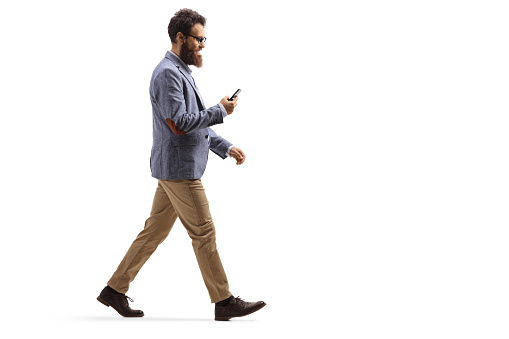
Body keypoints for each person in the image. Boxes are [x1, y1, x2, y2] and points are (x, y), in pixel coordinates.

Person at [97, 8, 265, 321]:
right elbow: (178, 124)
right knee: (204, 233)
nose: (202, 45)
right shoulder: (166, 74)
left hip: (175, 167)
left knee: (153, 233)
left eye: (204, 39)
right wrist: (221, 110)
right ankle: (224, 300)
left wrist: (225, 146)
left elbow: (194, 125)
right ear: (180, 37)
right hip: (180, 170)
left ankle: (114, 290)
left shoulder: (181, 71)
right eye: (198, 39)